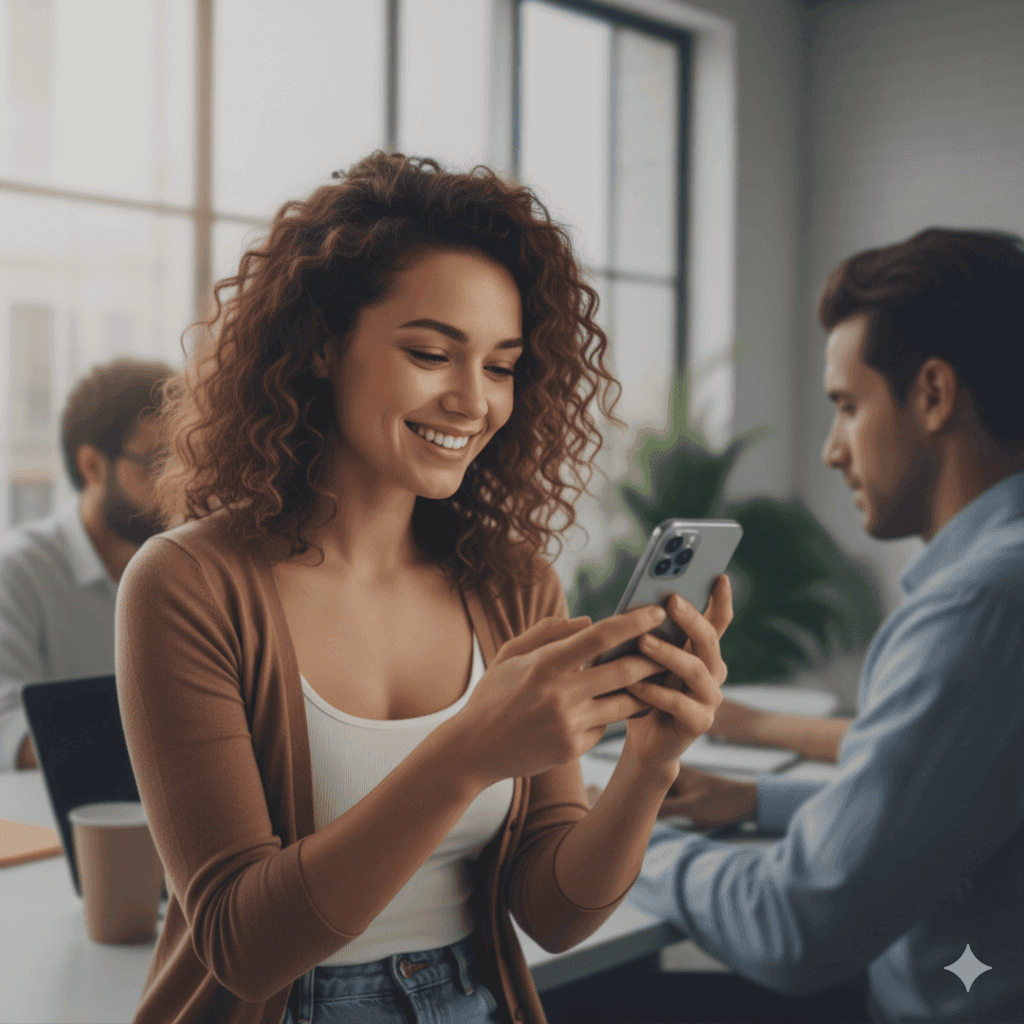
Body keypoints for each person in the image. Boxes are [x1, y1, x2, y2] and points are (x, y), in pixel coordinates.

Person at [115, 152, 734, 1024]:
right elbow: (240, 946)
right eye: (431, 353)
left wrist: (650, 762)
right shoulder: (189, 584)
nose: (471, 401)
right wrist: (469, 749)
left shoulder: (512, 582)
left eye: (500, 365)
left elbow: (553, 915)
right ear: (323, 343)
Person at [583, 227, 1024, 1024]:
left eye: (848, 407)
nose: (830, 451)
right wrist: (752, 801)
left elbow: (794, 930)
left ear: (933, 395)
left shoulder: (983, 604)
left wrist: (615, 829)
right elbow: (958, 801)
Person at [0, 358, 172, 772]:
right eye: (157, 461)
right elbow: (7, 728)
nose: (175, 484)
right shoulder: (20, 571)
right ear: (92, 466)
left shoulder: (187, 569)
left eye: (187, 460)